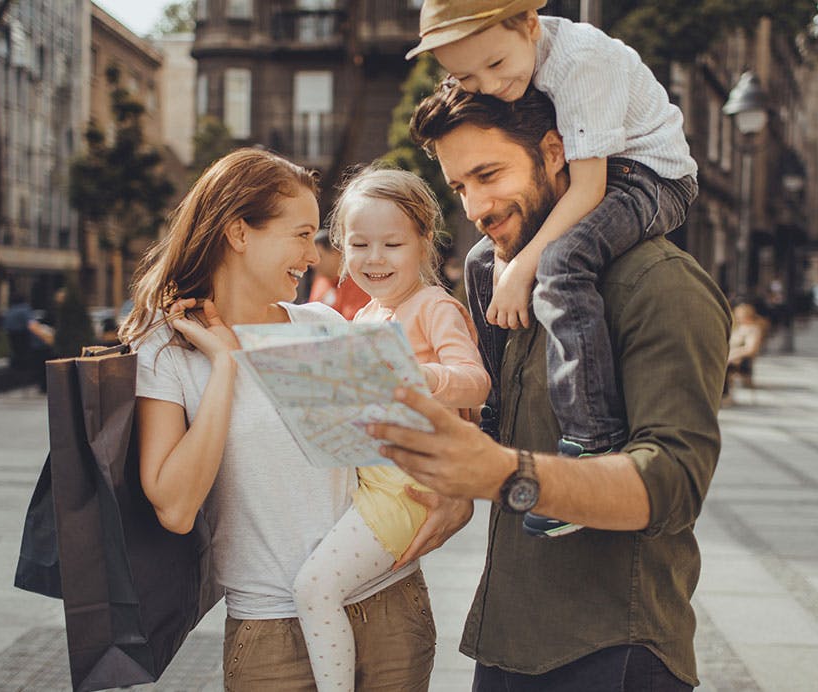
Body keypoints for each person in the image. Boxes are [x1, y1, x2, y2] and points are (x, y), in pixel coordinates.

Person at [367, 85, 729, 690]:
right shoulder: (492, 276)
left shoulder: (659, 284)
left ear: (556, 151)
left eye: (489, 173)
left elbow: (673, 482)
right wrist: (456, 475)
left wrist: (503, 475)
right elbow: (497, 425)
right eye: (460, 187)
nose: (476, 205)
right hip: (506, 642)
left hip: (616, 650)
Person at [119, 149, 448, 691]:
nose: (312, 256)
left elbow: (395, 453)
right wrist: (226, 365)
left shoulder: (320, 324)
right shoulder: (168, 350)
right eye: (300, 235)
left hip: (389, 605)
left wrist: (451, 497)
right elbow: (175, 508)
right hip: (271, 630)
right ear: (239, 233)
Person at [407, 0, 699, 537]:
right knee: (478, 261)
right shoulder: (513, 73)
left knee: (563, 263)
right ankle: (495, 419)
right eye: (465, 77)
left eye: (494, 66)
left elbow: (589, 186)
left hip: (649, 176)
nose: (488, 86)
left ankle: (592, 437)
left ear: (529, 24)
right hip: (605, 170)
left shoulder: (580, 63)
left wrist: (521, 270)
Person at [292, 166, 491, 692]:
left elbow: (476, 382)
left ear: (424, 241)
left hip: (406, 490)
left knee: (314, 588)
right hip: (370, 480)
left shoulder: (433, 306)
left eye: (392, 243)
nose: (374, 258)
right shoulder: (365, 318)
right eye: (359, 244)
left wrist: (419, 373)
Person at [308, 228, 371, 320]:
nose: (313, 264)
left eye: (319, 256)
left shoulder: (360, 281)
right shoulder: (320, 282)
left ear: (336, 252)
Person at [723, 302, 765, 400]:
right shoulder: (738, 328)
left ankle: (725, 395)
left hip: (742, 360)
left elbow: (750, 349)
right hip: (732, 357)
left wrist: (732, 355)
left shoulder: (753, 329)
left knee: (724, 365)